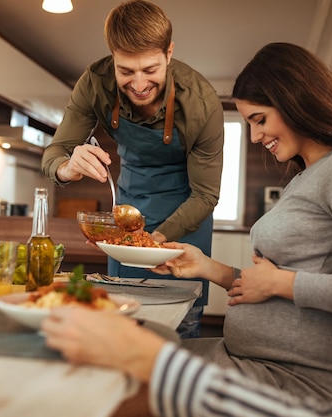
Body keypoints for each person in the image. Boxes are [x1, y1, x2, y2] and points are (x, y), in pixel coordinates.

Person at [41, 0, 332, 415]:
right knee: (110, 371)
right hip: (254, 358)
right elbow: (274, 280)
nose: (256, 137)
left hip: (297, 377)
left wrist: (280, 284)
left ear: (295, 101)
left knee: (108, 386)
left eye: (260, 120)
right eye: (249, 123)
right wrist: (210, 268)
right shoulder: (305, 178)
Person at [41, 0, 224, 337]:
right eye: (126, 71)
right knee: (121, 321)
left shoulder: (201, 102)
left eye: (150, 70)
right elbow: (54, 153)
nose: (138, 84)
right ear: (113, 58)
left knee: (177, 329)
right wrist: (68, 167)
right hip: (127, 211)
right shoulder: (95, 83)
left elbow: (206, 194)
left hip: (186, 216)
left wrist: (151, 242)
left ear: (169, 53)